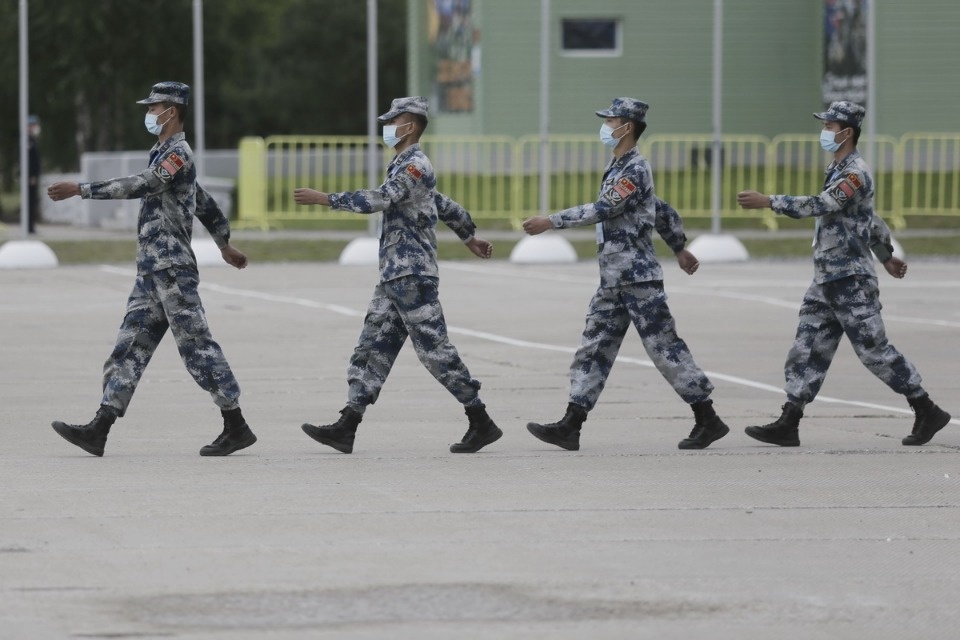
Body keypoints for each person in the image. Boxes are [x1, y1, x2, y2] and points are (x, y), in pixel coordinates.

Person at [46, 81, 257, 457]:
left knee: (197, 348)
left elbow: (144, 184)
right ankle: (99, 428)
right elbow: (203, 201)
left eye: (153, 107)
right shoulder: (161, 152)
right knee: (129, 347)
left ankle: (236, 425)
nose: (148, 113)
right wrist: (224, 243)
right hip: (151, 270)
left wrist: (82, 189)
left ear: (171, 111)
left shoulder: (177, 154)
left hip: (172, 269)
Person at [292, 96, 502, 454]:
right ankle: (347, 425)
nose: (388, 127)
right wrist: (469, 236)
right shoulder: (404, 165)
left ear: (411, 125)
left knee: (435, 351)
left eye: (393, 121)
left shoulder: (415, 165)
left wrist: (326, 198)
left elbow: (381, 198)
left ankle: (480, 419)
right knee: (372, 347)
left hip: (413, 274)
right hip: (395, 275)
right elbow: (442, 204)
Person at [737, 100, 951, 447]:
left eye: (829, 127)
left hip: (850, 278)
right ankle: (789, 421)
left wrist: (770, 201)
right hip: (827, 277)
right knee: (807, 347)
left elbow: (824, 204)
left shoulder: (855, 173)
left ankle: (926, 409)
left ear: (847, 132)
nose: (824, 132)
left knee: (873, 350)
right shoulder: (838, 169)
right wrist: (886, 255)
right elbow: (867, 218)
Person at [521, 97, 730, 451]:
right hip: (614, 279)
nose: (605, 126)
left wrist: (551, 221)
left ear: (627, 127)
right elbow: (660, 209)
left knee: (664, 348)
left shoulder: (634, 169)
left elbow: (605, 208)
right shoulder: (619, 166)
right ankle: (571, 424)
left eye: (610, 120)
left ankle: (707, 418)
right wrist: (679, 247)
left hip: (637, 278)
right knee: (593, 348)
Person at [27, 115, 41, 234]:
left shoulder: (31, 139)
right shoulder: (27, 140)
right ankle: (29, 227)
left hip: (32, 176)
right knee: (30, 201)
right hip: (30, 177)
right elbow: (29, 160)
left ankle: (30, 226)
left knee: (32, 201)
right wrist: (31, 175)